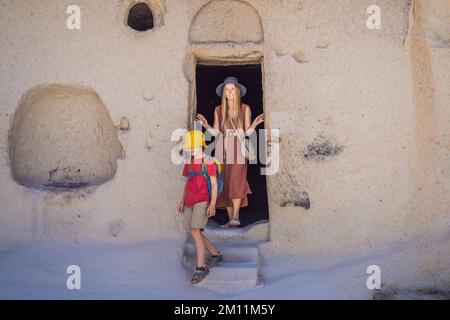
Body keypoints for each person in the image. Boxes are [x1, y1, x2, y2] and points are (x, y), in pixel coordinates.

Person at [196, 76, 264, 227]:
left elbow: (246, 132)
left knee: (236, 180)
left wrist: (254, 124)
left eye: (232, 89)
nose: (229, 92)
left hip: (238, 149)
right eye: (227, 90)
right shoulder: (218, 110)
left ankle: (236, 216)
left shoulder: (245, 108)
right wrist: (206, 125)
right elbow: (215, 132)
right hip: (222, 149)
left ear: (237, 91)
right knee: (225, 182)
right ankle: (230, 220)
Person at [176, 130, 224, 284]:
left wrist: (212, 204)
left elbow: (214, 184)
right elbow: (187, 182)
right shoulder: (189, 162)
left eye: (192, 146)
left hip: (202, 200)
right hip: (190, 200)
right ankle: (215, 254)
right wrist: (182, 200)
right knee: (194, 231)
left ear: (200, 145)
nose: (189, 149)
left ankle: (201, 267)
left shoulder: (208, 161)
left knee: (196, 230)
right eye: (188, 147)